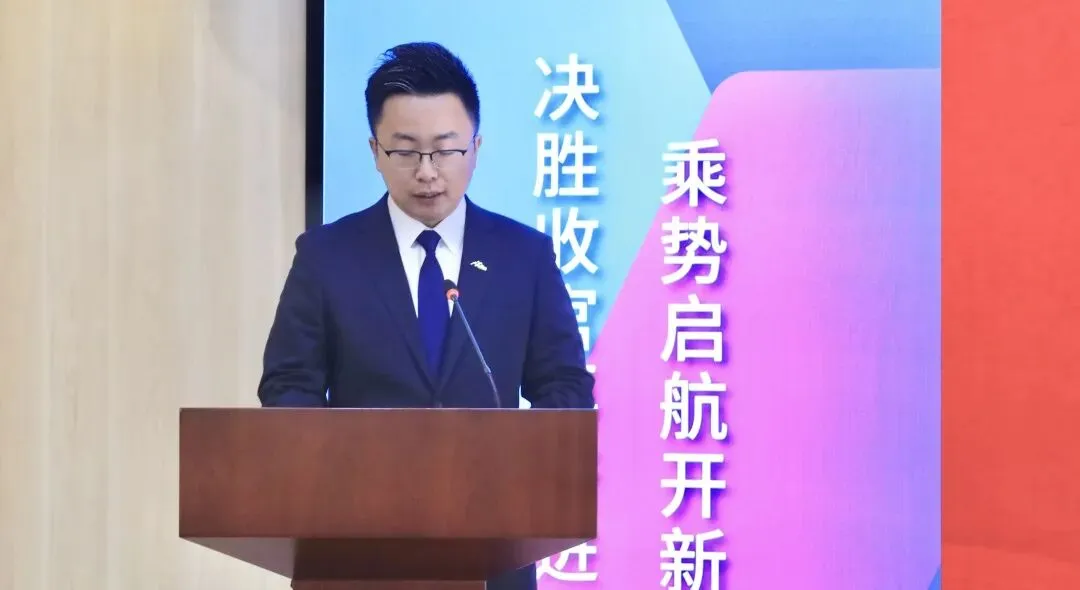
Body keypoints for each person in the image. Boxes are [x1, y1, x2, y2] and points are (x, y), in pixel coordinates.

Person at [257, 42, 595, 590]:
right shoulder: (327, 256)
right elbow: (288, 385)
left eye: (445, 150)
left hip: (493, 544)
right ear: (375, 150)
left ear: (476, 147)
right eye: (406, 152)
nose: (427, 173)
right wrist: (330, 472)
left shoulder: (523, 256)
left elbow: (564, 386)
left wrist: (522, 467)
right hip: (355, 544)